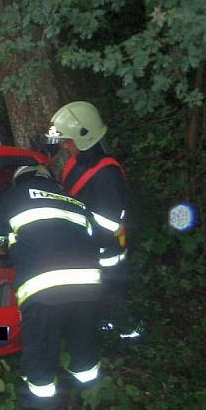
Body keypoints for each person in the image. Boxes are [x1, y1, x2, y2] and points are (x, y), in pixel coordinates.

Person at [0, 164, 103, 410]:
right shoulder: (76, 202)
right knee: (84, 352)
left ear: (18, 180)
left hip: (44, 292)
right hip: (88, 289)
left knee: (41, 359)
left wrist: (9, 242)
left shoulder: (13, 196)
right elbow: (94, 241)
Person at [45, 101, 136, 337]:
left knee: (110, 296)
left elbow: (107, 224)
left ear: (83, 136)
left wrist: (76, 242)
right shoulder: (78, 162)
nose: (65, 146)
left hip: (106, 253)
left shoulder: (107, 175)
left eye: (68, 141)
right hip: (85, 247)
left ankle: (121, 332)